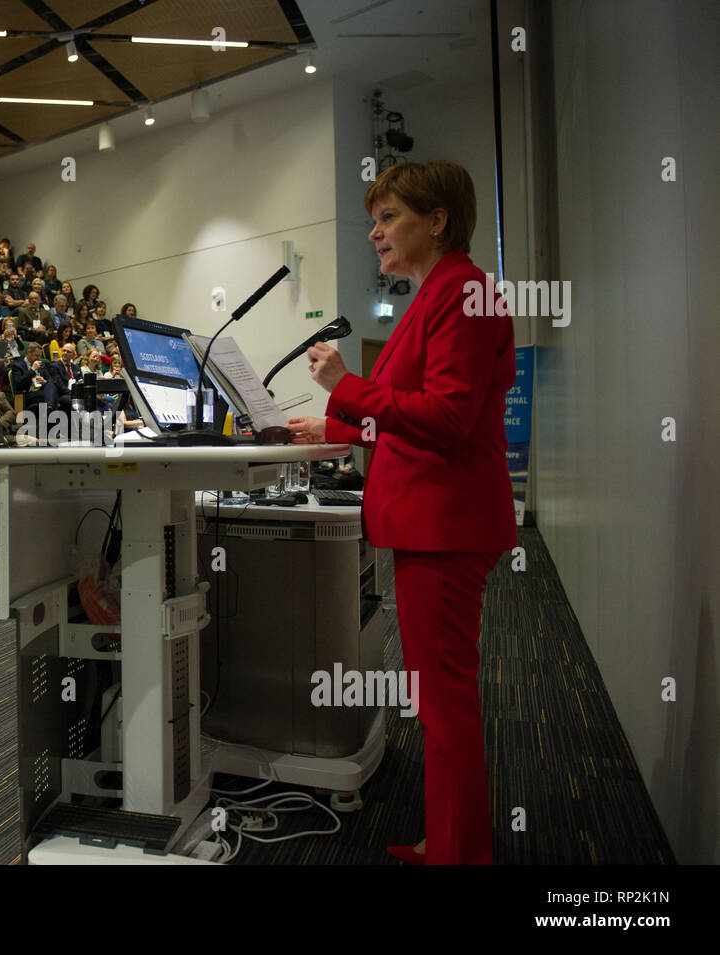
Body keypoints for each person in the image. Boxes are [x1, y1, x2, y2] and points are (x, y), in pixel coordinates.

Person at [286, 160, 516, 866]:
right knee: (438, 699)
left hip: (444, 526)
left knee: (444, 706)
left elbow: (448, 418)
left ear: (437, 219)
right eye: (373, 220)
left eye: (388, 217)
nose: (374, 233)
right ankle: (445, 840)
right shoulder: (433, 295)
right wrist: (336, 429)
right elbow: (404, 420)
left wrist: (348, 388)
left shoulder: (467, 292)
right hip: (426, 520)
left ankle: (457, 855)